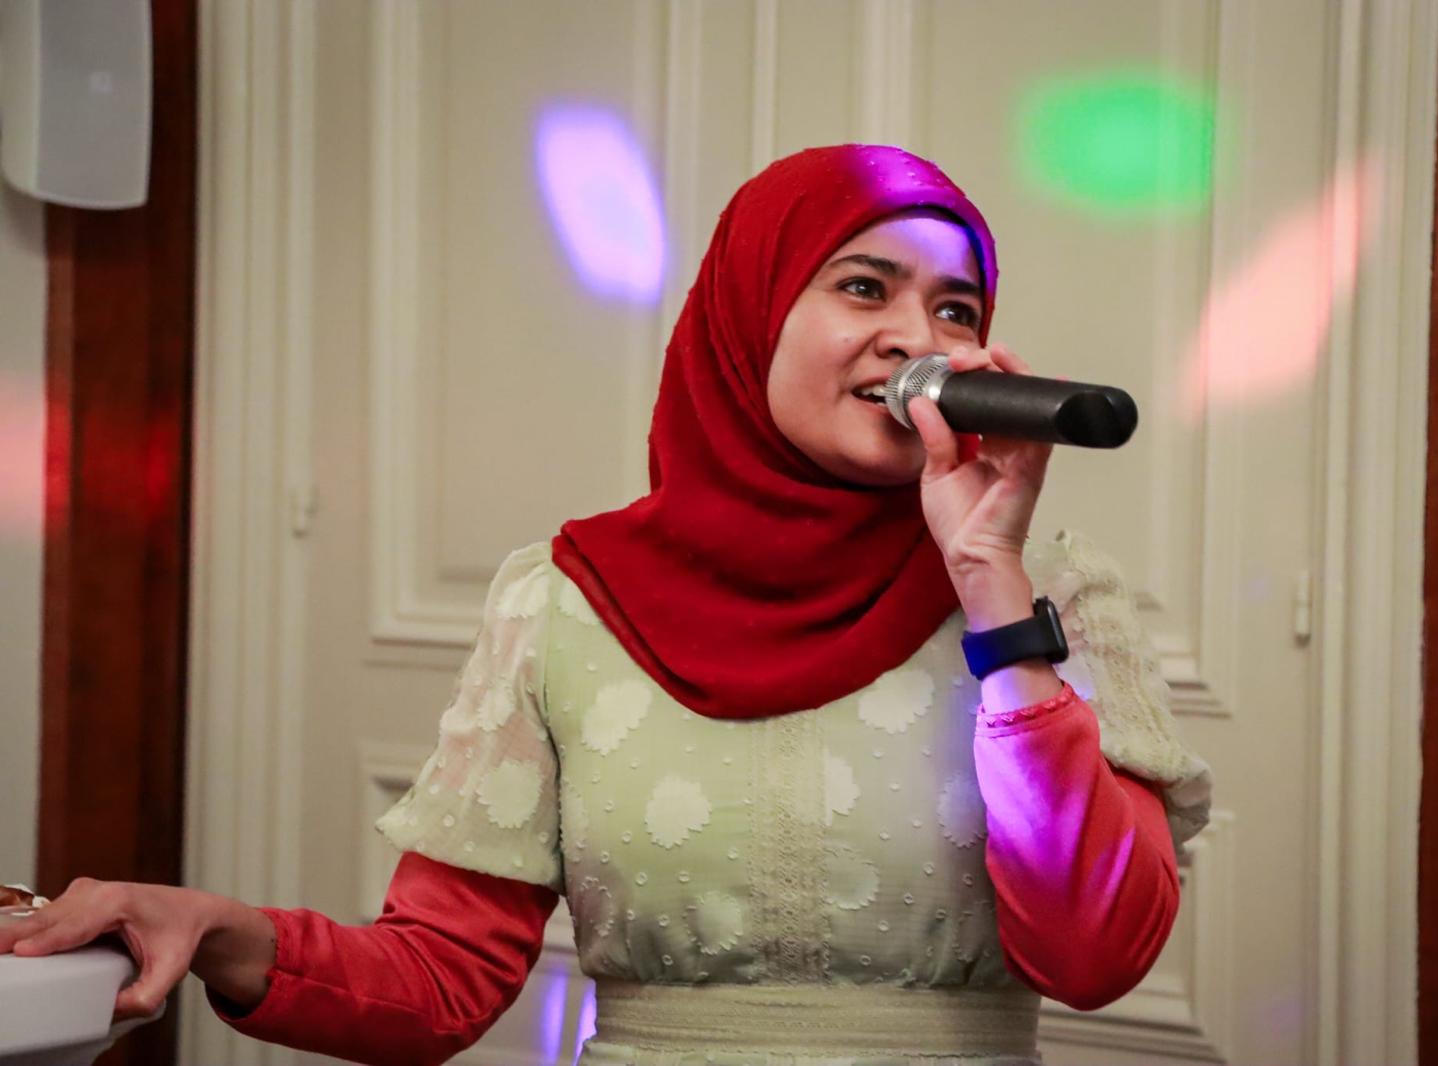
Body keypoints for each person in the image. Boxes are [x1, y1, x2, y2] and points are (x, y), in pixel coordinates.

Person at [0, 143, 1210, 1065]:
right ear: (747, 316)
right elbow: (439, 978)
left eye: (956, 310)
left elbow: (1095, 954)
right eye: (864, 287)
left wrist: (992, 587)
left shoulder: (1052, 591)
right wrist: (219, 929)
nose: (919, 341)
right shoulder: (564, 601)